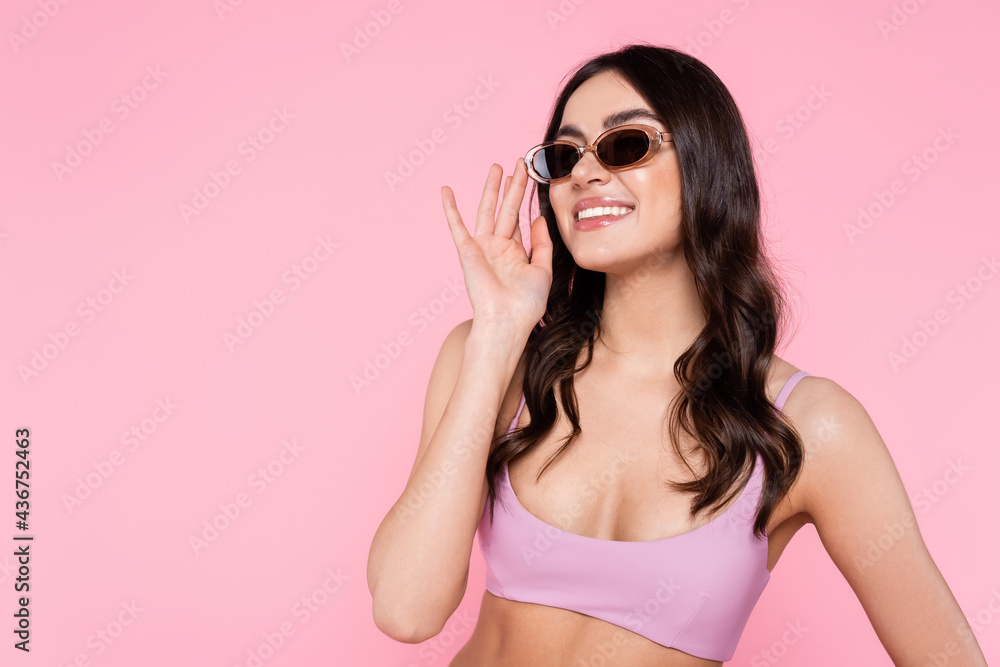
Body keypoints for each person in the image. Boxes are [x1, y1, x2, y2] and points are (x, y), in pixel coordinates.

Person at [367, 43, 988, 666]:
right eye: (564, 155)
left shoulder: (807, 423)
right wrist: (499, 334)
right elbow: (406, 610)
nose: (583, 173)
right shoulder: (491, 358)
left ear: (705, 165)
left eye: (624, 145)